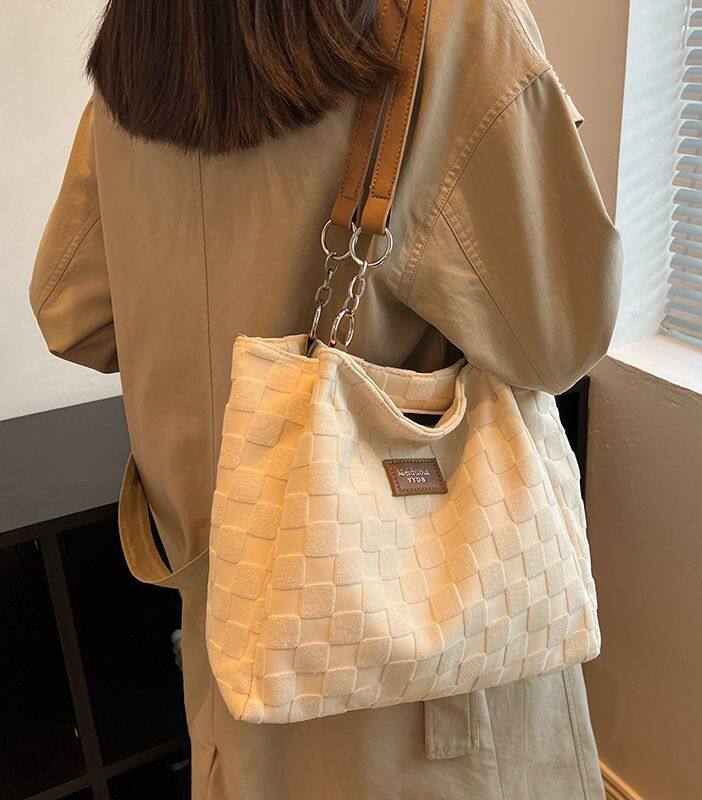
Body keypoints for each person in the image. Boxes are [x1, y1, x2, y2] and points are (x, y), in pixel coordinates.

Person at [30, 1, 622, 798]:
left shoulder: (147, 45)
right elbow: (562, 334)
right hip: (419, 679)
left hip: (235, 650)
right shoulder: (448, 25)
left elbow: (71, 312)